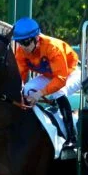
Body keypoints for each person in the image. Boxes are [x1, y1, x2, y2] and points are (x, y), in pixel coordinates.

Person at [12, 17, 80, 150]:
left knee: (58, 92)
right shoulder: (21, 52)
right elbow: (19, 77)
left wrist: (40, 93)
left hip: (71, 74)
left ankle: (72, 137)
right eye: (20, 42)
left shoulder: (52, 47)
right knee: (27, 89)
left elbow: (60, 78)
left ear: (36, 38)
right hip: (50, 75)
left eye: (26, 42)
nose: (23, 47)